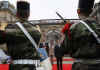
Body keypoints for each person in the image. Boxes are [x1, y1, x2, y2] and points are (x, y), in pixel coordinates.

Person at [0, 1, 41, 70]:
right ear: (29, 14)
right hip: (33, 67)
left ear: (16, 14)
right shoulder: (37, 30)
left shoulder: (9, 29)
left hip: (17, 67)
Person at [61, 0, 100, 70]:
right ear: (92, 10)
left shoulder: (74, 27)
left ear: (78, 11)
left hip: (81, 66)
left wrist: (66, 33)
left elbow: (65, 49)